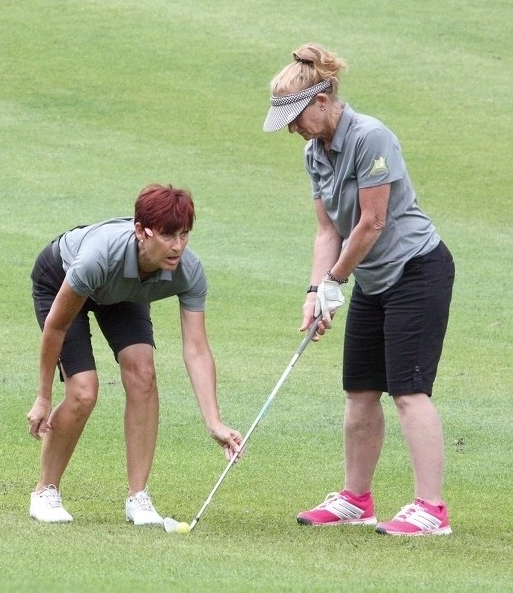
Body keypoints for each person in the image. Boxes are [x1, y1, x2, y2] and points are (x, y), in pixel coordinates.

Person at [263, 44, 455, 536]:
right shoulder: (315, 152)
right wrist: (314, 291)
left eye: (297, 115)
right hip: (369, 275)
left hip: (416, 270)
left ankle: (431, 509)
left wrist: (335, 281)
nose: (293, 127)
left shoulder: (371, 137)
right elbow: (328, 232)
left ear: (323, 100)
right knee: (360, 390)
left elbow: (372, 223)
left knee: (409, 390)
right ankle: (356, 499)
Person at [27, 184, 243, 525]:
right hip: (61, 279)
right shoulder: (97, 257)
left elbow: (197, 349)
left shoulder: (188, 271)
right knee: (83, 390)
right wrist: (43, 396)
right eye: (168, 235)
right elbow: (55, 327)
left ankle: (138, 498)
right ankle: (44, 491)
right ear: (142, 232)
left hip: (122, 292)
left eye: (184, 234)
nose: (178, 246)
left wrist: (213, 421)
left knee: (143, 373)